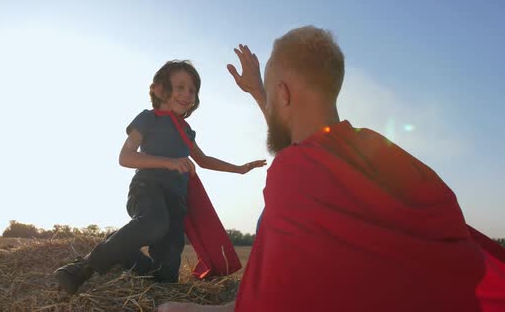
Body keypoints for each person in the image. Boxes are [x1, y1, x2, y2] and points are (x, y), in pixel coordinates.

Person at [157, 26, 505, 312]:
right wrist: (260, 91)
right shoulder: (388, 156)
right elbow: (302, 141)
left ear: (283, 94)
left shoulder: (294, 174)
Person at [54, 60, 266, 295]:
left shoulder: (186, 130)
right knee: (154, 223)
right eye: (180, 87)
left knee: (165, 278)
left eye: (192, 90)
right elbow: (125, 156)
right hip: (148, 188)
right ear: (159, 89)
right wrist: (169, 162)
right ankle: (82, 268)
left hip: (176, 201)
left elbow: (203, 160)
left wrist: (239, 168)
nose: (187, 94)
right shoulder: (148, 118)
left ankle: (120, 249)